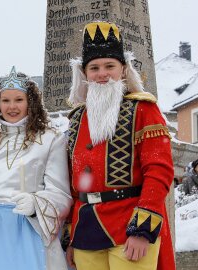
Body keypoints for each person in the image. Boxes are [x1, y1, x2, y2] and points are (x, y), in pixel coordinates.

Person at [65, 21, 175, 270]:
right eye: (94, 68)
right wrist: (71, 233)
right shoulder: (76, 120)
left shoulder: (144, 110)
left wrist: (142, 228)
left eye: (109, 66)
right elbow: (72, 182)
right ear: (84, 73)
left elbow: (159, 170)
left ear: (123, 69)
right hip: (86, 230)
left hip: (130, 227)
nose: (102, 73)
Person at [0, 66, 73, 270]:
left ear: (30, 103)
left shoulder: (50, 141)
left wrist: (37, 205)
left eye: (19, 100)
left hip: (30, 231)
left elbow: (60, 193)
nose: (12, 107)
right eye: (5, 100)